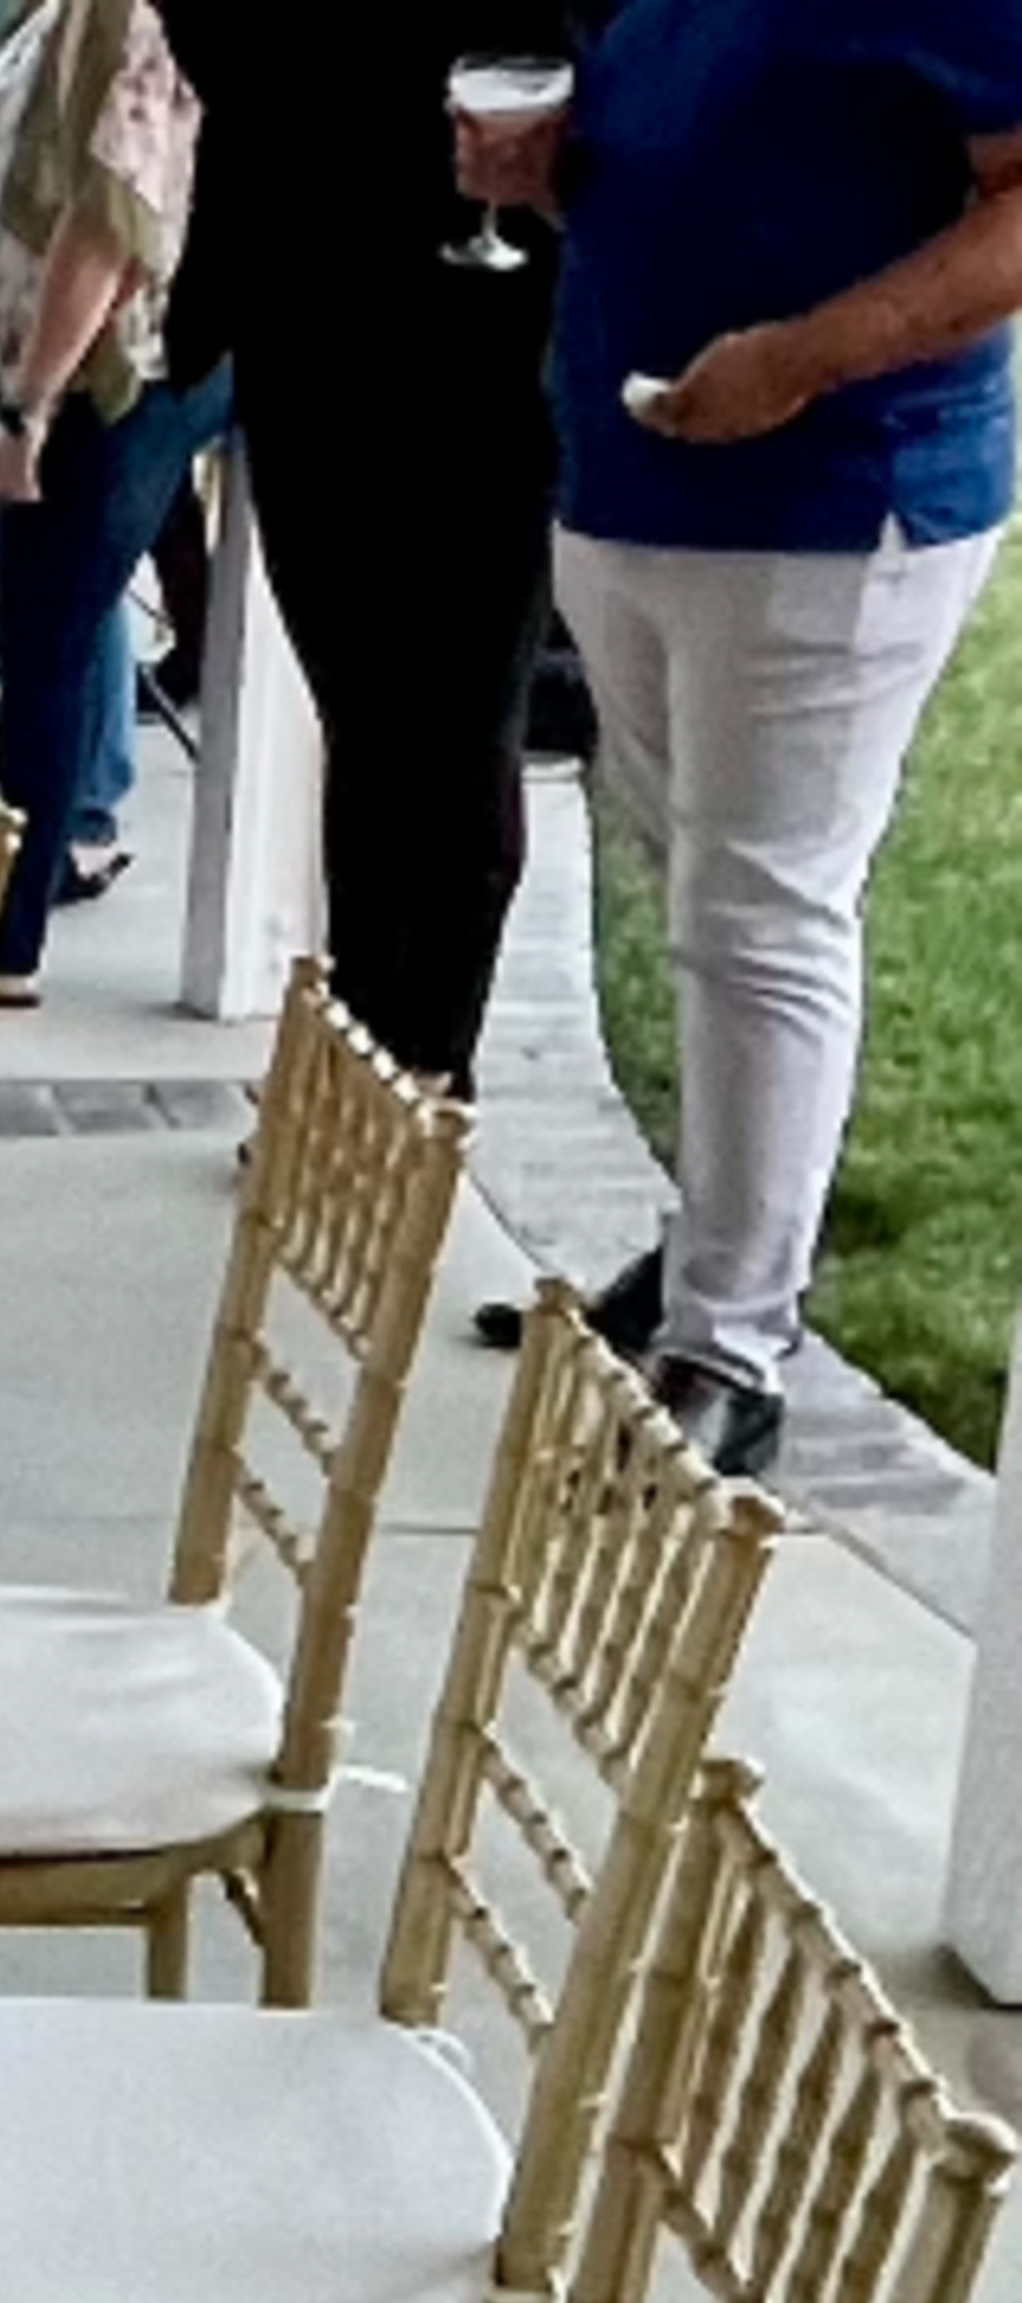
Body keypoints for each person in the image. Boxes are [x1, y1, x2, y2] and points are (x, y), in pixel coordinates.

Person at [462, 0, 1022, 1477]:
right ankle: (719, 1241)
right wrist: (553, 171)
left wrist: (806, 358)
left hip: (833, 493)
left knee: (763, 911)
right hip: (632, 470)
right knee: (696, 888)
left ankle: (731, 1346)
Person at [154, 0, 565, 1100]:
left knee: (463, 714)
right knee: (363, 714)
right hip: (305, 311)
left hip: (495, 338)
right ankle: (359, 1056)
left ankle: (426, 1065)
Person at [0, 0, 224, 997]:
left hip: (99, 388)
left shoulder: (129, 16)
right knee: (46, 651)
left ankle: (5, 941)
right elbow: (66, 149)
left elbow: (110, 223)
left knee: (43, 654)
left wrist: (31, 407)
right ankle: (17, 902)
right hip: (74, 377)